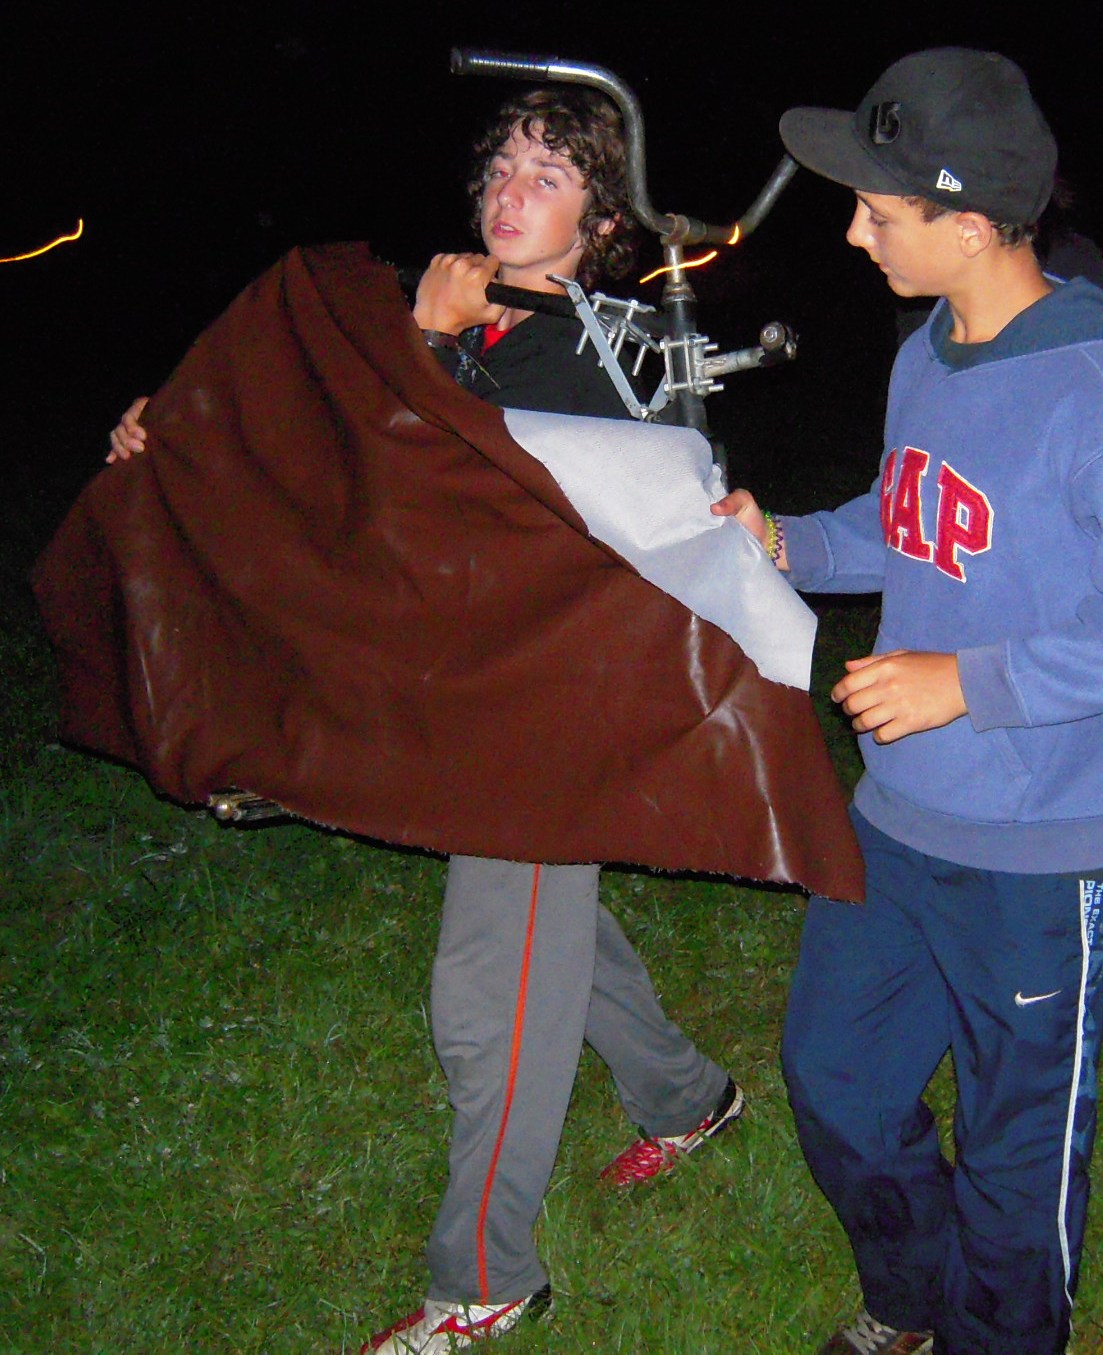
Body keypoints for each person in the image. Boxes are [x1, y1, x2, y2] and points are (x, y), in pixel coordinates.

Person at [107, 87, 744, 1355]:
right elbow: (318, 450)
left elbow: (420, 470)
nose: (511, 191)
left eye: (549, 176)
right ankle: (688, 1095)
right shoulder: (461, 316)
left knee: (486, 987)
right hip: (478, 692)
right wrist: (173, 430)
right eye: (502, 166)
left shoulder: (582, 353)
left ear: (599, 223)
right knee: (550, 927)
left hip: (550, 708)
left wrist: (425, 342)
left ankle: (485, 1277)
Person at [712, 48, 1103, 1355]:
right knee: (836, 1076)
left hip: (1040, 843)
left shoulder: (1101, 389)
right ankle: (911, 1297)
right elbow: (910, 522)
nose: (852, 232)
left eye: (875, 210)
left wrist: (966, 682)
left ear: (968, 224)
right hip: (901, 813)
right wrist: (789, 542)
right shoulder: (928, 352)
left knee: (1013, 1153)